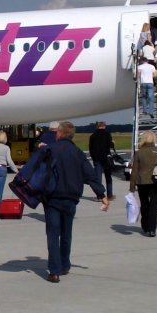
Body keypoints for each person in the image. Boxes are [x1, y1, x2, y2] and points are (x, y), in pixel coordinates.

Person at [42, 121, 109, 283]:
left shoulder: (51, 150)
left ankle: (55, 271)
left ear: (59, 133)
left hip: (53, 198)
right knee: (66, 233)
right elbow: (90, 174)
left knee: (53, 234)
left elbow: (41, 171)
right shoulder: (78, 153)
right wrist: (102, 194)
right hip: (71, 199)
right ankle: (64, 265)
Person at [129, 131, 157, 237]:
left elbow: (134, 170)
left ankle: (145, 226)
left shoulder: (139, 152)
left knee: (144, 204)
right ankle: (152, 229)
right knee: (154, 205)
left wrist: (132, 185)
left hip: (142, 181)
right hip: (155, 181)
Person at [88, 121, 116, 200]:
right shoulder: (107, 134)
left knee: (98, 178)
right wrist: (112, 143)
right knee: (108, 176)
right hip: (106, 158)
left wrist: (93, 158)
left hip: (97, 158)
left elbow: (91, 148)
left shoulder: (93, 136)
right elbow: (110, 145)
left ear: (97, 126)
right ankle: (109, 195)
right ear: (104, 126)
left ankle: (100, 196)